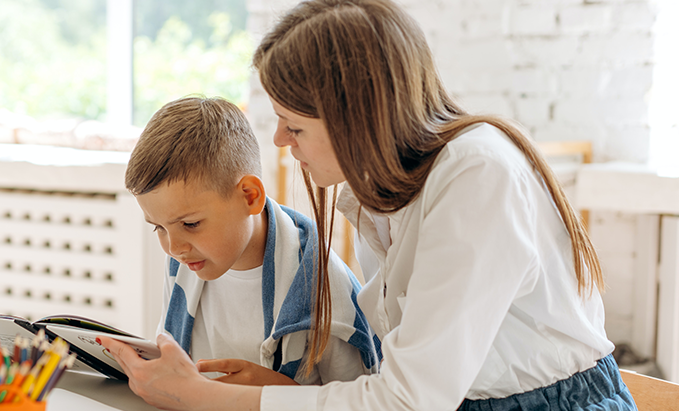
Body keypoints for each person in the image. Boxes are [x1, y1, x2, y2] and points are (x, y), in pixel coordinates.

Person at [99, 1, 638, 410]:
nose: (282, 141)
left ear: (358, 115)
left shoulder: (477, 175)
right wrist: (276, 392)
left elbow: (410, 399)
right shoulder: (378, 197)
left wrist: (212, 398)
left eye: (296, 124)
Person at [0, 96, 383, 386]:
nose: (173, 247)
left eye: (190, 224)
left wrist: (276, 397)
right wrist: (51, 359)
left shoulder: (323, 287)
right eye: (159, 228)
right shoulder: (191, 261)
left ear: (250, 196)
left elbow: (364, 400)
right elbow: (173, 372)